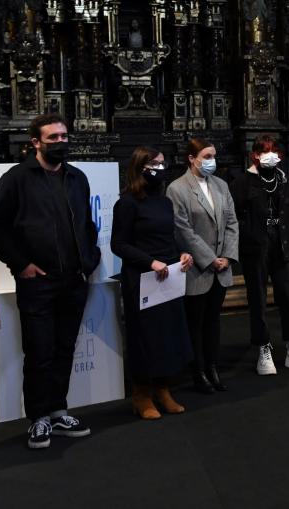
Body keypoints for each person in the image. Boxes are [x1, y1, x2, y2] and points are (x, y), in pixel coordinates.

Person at [0, 113, 100, 449]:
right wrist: (21, 265)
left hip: (75, 280)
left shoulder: (77, 178)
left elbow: (87, 225)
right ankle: (37, 418)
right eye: (53, 138)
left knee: (65, 348)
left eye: (65, 136)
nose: (61, 142)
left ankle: (57, 409)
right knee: (39, 352)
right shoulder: (17, 178)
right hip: (38, 283)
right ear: (35, 142)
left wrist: (88, 261)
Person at [111, 146, 194, 419]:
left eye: (162, 162)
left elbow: (168, 237)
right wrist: (150, 262)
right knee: (144, 337)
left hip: (168, 275)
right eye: (154, 164)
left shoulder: (164, 202)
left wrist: (181, 255)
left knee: (168, 335)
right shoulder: (127, 203)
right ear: (140, 168)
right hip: (142, 277)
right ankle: (141, 394)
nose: (160, 168)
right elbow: (119, 244)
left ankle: (163, 389)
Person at [229, 135, 289, 375]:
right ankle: (264, 348)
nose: (270, 155)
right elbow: (234, 217)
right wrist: (248, 237)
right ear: (255, 154)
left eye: (274, 151)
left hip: (282, 246)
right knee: (258, 300)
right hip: (256, 249)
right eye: (265, 151)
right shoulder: (242, 182)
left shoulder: (285, 180)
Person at [166, 137, 239, 393]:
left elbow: (232, 222)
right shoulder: (177, 189)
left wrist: (227, 257)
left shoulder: (220, 185)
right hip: (198, 268)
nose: (211, 161)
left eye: (213, 156)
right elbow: (183, 230)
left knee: (213, 322)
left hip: (222, 267)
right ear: (192, 158)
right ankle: (198, 371)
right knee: (195, 323)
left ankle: (212, 367)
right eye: (206, 157)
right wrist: (210, 259)